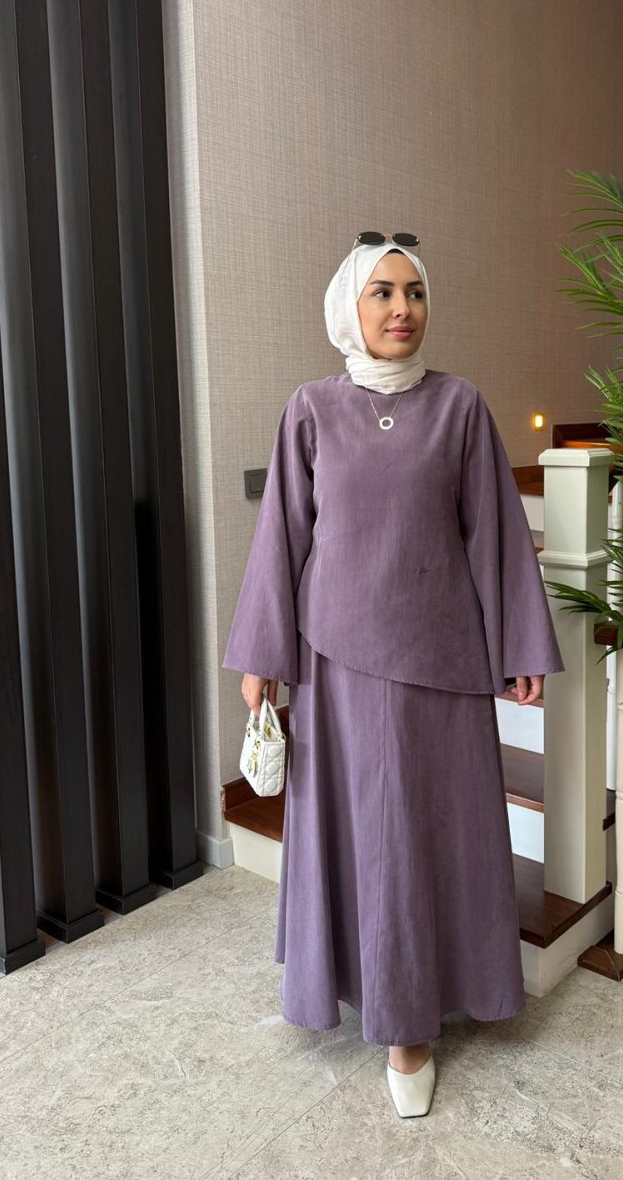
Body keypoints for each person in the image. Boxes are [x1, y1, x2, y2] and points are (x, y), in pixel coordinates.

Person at [222, 233, 565, 1118]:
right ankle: (378, 1004)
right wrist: (263, 659)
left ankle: (423, 1009)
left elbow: (495, 534)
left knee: (431, 831)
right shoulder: (311, 409)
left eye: (414, 292)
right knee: (361, 832)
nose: (402, 308)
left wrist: (521, 646)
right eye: (382, 292)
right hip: (335, 661)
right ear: (351, 307)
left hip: (441, 658)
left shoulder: (460, 407)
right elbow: (283, 538)